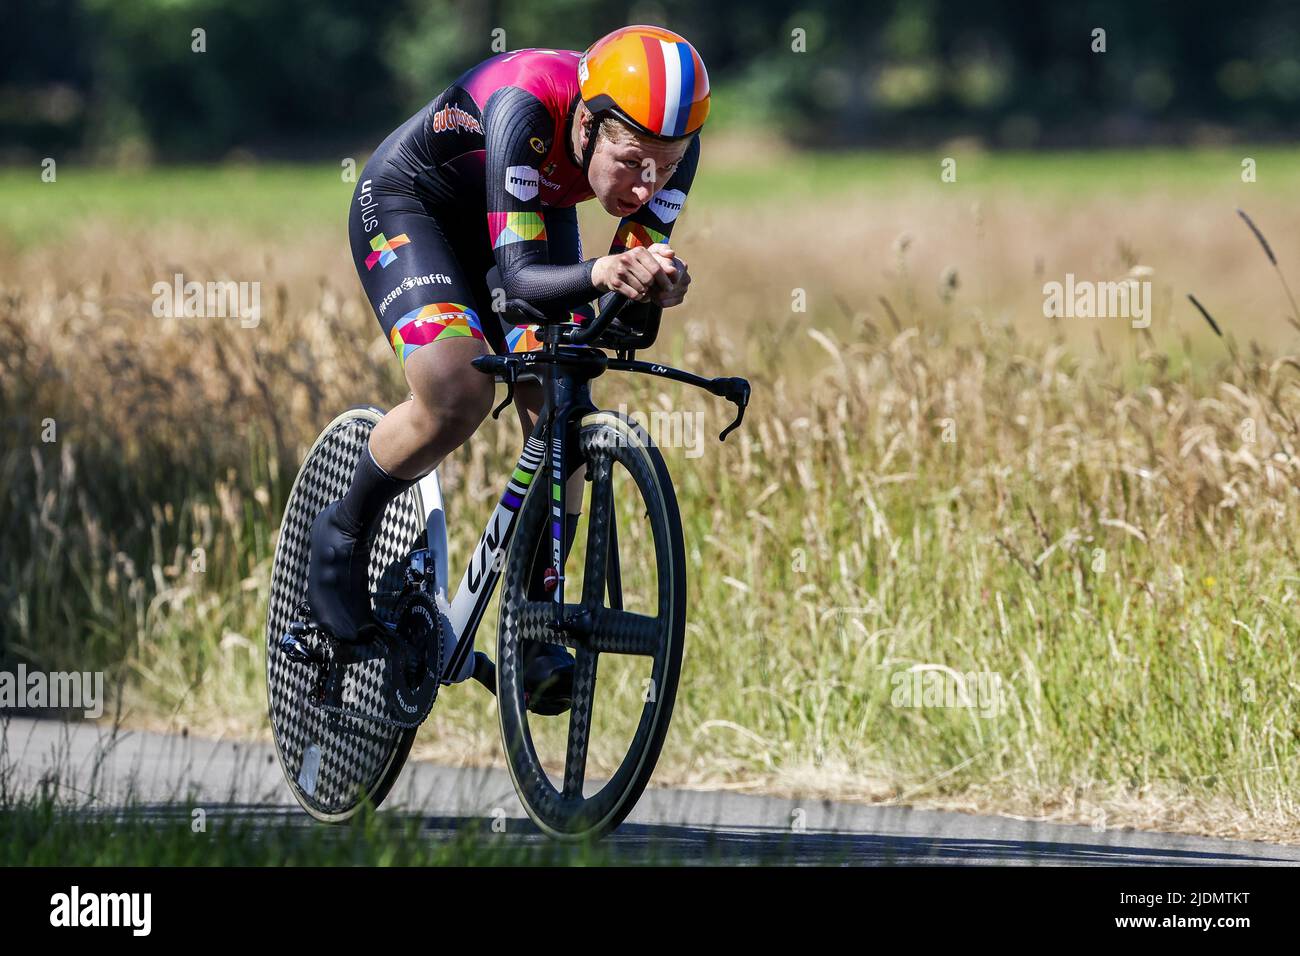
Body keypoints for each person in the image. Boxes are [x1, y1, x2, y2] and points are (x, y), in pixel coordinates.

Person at [306, 25, 710, 714]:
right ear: (586, 124)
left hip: (527, 211)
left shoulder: (673, 147)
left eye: (665, 170)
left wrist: (652, 288)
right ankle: (341, 530)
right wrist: (606, 268)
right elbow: (522, 285)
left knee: (564, 392)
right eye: (633, 161)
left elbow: (625, 326)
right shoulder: (527, 103)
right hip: (414, 205)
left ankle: (537, 612)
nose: (647, 187)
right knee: (457, 391)